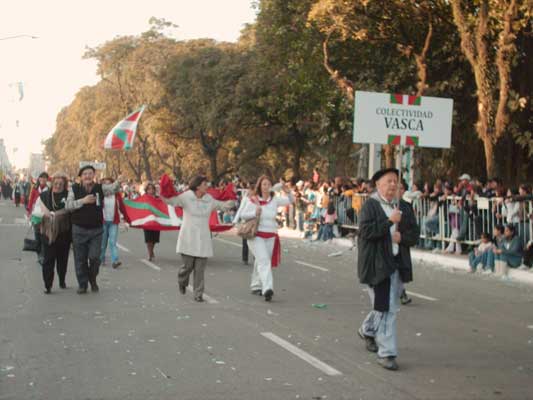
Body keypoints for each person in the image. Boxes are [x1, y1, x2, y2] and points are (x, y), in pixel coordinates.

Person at [357, 168, 420, 371]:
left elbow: (414, 235)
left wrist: (403, 238)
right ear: (378, 185)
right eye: (388, 181)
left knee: (384, 305)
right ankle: (387, 353)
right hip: (377, 266)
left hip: (397, 264)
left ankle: (367, 329)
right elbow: (366, 232)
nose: (393, 185)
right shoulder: (370, 206)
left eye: (395, 181)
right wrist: (388, 223)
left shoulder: (404, 207)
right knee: (387, 309)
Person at [161, 175, 234, 302]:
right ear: (198, 186)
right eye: (205, 184)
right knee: (187, 266)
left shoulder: (209, 199)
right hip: (188, 237)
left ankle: (198, 293)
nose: (207, 186)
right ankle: (182, 281)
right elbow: (172, 201)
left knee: (200, 269)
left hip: (203, 238)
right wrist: (163, 193)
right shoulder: (186, 197)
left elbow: (222, 206)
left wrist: (232, 198)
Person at [237, 175, 294, 302]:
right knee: (264, 261)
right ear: (259, 186)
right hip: (256, 235)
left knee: (261, 260)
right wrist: (255, 212)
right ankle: (267, 289)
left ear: (271, 186)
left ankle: (255, 285)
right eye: (264, 184)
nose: (266, 187)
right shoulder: (254, 199)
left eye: (268, 184)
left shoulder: (274, 200)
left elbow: (291, 200)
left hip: (271, 235)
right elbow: (243, 214)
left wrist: (287, 190)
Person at [66, 165, 121, 294]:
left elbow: (113, 188)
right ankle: (82, 284)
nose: (88, 176)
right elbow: (68, 206)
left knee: (95, 257)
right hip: (79, 229)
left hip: (96, 230)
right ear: (81, 177)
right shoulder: (74, 189)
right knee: (80, 259)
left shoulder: (100, 188)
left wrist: (119, 180)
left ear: (93, 175)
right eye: (85, 174)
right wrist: (83, 201)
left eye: (90, 173)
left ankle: (92, 277)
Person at [36, 172, 71, 293]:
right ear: (52, 183)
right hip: (47, 233)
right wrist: (43, 215)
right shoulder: (44, 195)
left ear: (64, 185)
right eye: (56, 183)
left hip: (64, 233)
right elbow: (37, 211)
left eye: (61, 184)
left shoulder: (69, 195)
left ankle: (62, 279)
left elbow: (71, 211)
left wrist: (57, 216)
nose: (58, 185)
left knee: (62, 260)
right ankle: (48, 285)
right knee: (48, 260)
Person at [100, 177, 129, 268]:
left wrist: (127, 219)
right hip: (103, 222)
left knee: (113, 242)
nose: (107, 185)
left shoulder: (117, 195)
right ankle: (101, 259)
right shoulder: (101, 195)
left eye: (109, 183)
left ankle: (115, 261)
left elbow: (122, 208)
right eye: (105, 184)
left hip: (113, 222)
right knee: (103, 243)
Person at [27, 172, 50, 265]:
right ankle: (39, 255)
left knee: (44, 236)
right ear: (39, 179)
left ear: (46, 180)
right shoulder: (35, 188)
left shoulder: (49, 189)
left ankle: (43, 255)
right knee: (37, 237)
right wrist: (29, 212)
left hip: (45, 216)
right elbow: (31, 200)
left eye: (45, 178)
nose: (43, 179)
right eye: (41, 178)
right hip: (36, 215)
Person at [143, 182, 161, 261]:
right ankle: (150, 253)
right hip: (147, 220)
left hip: (156, 221)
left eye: (152, 189)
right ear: (146, 190)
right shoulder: (144, 198)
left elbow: (163, 207)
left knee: (154, 239)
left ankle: (151, 250)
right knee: (148, 239)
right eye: (149, 189)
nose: (150, 190)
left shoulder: (157, 198)